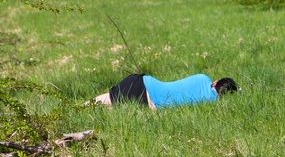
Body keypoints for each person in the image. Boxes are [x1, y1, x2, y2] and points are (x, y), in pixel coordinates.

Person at [87, 73, 238, 110]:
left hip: (144, 84)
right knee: (109, 108)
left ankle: (78, 108)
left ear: (216, 82)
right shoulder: (210, 104)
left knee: (98, 104)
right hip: (150, 102)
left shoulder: (203, 78)